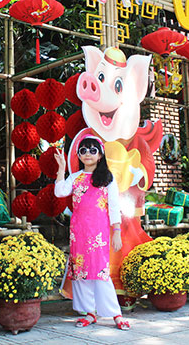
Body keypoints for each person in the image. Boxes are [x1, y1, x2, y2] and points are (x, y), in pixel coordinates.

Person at [54, 135, 130, 330]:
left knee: (100, 272)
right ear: (79, 155)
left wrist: (116, 231)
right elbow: (60, 192)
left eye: (92, 150)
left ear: (100, 154)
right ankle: (89, 312)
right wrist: (61, 169)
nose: (87, 154)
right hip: (78, 231)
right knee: (80, 272)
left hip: (99, 233)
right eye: (83, 151)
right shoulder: (76, 177)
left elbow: (113, 207)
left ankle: (115, 314)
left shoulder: (107, 178)